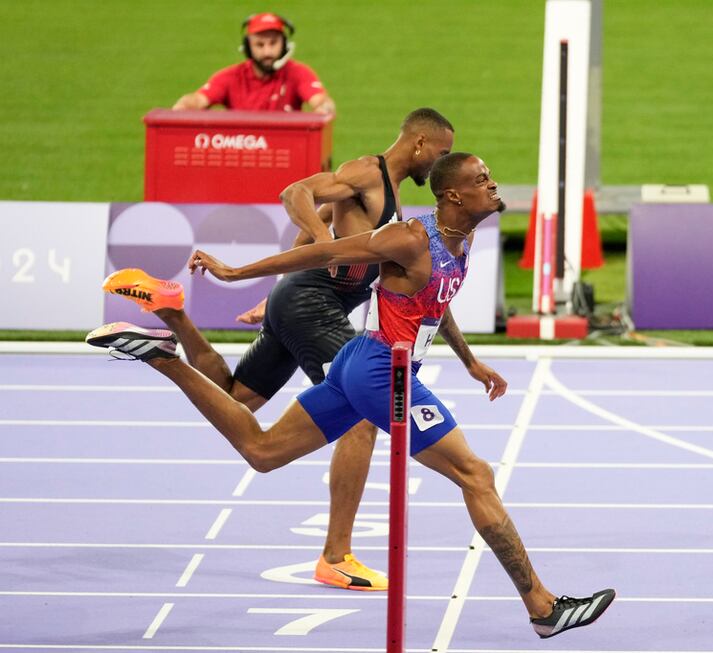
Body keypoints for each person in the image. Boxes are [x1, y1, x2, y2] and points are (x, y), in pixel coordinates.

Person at [87, 152, 615, 639]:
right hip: (380, 370)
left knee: (263, 452)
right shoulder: (408, 238)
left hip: (360, 363)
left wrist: (469, 360)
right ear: (454, 195)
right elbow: (324, 251)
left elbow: (438, 299)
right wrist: (235, 273)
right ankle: (543, 608)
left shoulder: (462, 236)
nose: (494, 185)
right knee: (475, 475)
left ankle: (163, 357)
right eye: (483, 179)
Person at [101, 109, 509, 593]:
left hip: (298, 299)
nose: (441, 165)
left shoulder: (404, 210)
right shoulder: (368, 174)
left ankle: (172, 318)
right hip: (314, 303)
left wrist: (277, 291)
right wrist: (309, 245)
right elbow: (296, 195)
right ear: (420, 143)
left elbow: (430, 296)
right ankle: (336, 556)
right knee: (361, 417)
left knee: (239, 404)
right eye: (442, 153)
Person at [173, 12, 336, 169]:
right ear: (248, 47)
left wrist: (324, 108)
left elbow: (321, 101)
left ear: (284, 44)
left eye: (273, 43)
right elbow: (198, 100)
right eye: (260, 45)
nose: (267, 52)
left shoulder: (298, 73)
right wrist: (185, 105)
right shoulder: (230, 77)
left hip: (286, 158)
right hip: (241, 161)